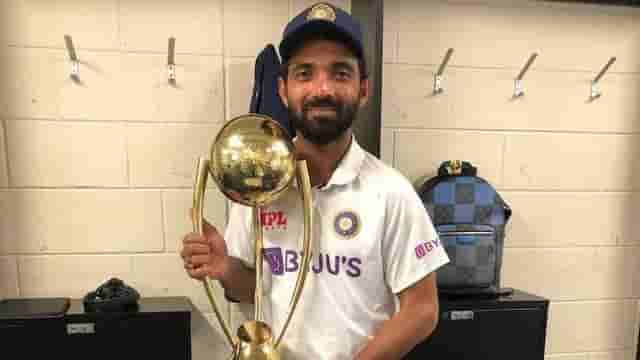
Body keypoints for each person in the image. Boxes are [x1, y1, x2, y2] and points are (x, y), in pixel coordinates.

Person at [181, 2, 450, 359]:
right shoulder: (257, 187)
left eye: (340, 73)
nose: (322, 89)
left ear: (363, 89)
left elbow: (422, 310)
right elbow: (254, 291)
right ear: (282, 89)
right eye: (305, 73)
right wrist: (225, 267)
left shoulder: (390, 193)